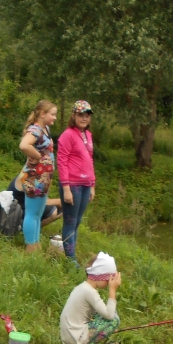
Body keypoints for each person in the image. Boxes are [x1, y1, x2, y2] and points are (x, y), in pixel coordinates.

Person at [59, 252, 121, 344]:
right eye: (108, 281)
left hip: (69, 335)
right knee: (114, 319)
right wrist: (112, 290)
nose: (108, 284)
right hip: (75, 340)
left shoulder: (83, 287)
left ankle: (86, 342)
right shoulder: (90, 293)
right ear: (101, 277)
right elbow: (109, 315)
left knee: (108, 313)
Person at [57, 100, 96, 264]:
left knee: (77, 221)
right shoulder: (67, 135)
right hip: (72, 184)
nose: (84, 118)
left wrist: (92, 184)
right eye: (81, 115)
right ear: (73, 115)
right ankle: (70, 260)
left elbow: (90, 159)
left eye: (87, 115)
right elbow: (62, 161)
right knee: (70, 221)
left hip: (86, 184)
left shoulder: (88, 135)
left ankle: (70, 253)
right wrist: (66, 188)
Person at [17, 100, 58, 252]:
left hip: (43, 179)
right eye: (52, 114)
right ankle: (30, 247)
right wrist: (38, 156)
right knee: (32, 214)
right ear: (42, 114)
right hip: (34, 178)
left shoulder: (45, 128)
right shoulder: (35, 129)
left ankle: (36, 244)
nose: (55, 117)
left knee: (38, 214)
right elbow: (24, 145)